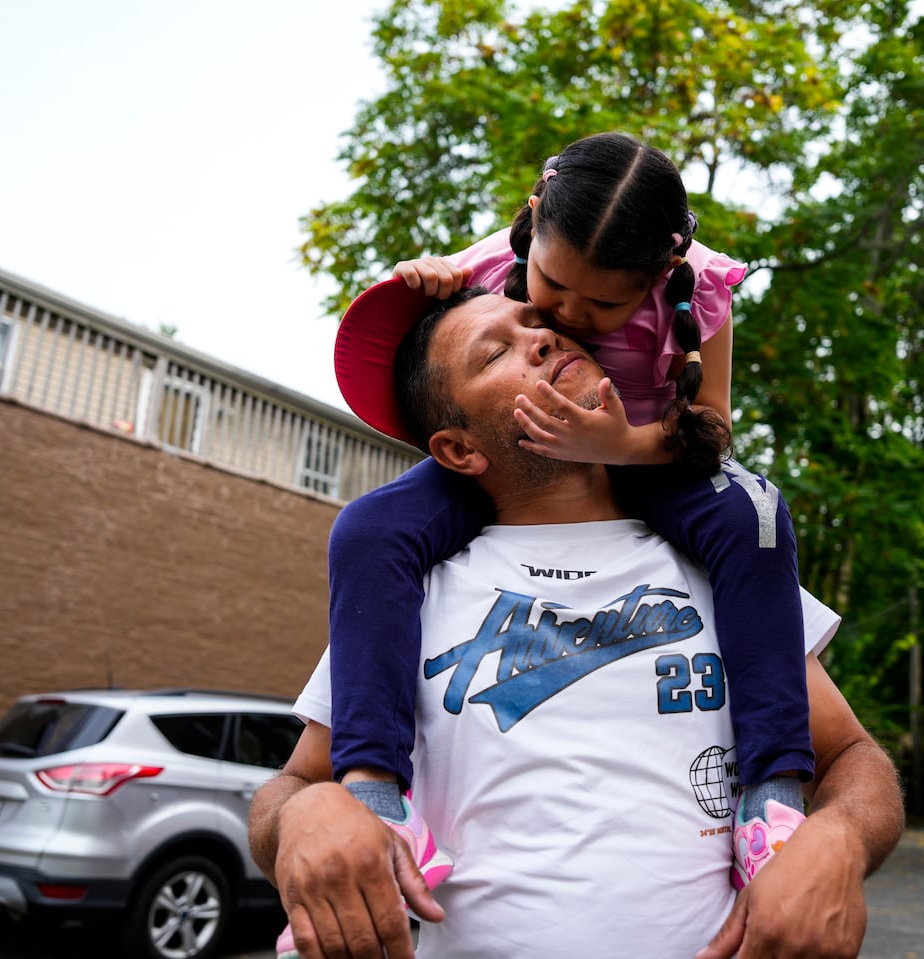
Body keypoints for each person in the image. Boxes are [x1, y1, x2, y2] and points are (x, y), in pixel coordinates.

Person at [251, 282, 904, 959]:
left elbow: (853, 758)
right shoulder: (406, 594)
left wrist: (840, 838)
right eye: (495, 352)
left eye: (538, 322)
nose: (542, 337)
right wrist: (302, 814)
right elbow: (295, 783)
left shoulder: (727, 571)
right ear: (458, 450)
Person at [328, 132, 814, 891]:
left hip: (650, 457)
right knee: (366, 526)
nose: (568, 316)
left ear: (660, 272)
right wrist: (428, 276)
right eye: (552, 287)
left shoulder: (701, 293)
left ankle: (771, 798)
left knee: (755, 511)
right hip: (518, 465)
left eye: (604, 303)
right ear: (532, 223)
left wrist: (620, 444)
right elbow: (444, 338)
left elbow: (713, 429)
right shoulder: (493, 264)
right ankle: (376, 793)